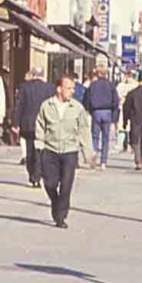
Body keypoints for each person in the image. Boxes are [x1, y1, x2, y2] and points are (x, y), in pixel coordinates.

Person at [36, 74, 93, 228]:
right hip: (50, 149)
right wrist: (39, 146)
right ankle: (55, 202)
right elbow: (40, 126)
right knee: (50, 183)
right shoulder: (46, 106)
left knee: (66, 185)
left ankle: (60, 216)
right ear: (59, 89)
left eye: (73, 88)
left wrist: (88, 154)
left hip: (69, 151)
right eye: (69, 88)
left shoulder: (77, 107)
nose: (72, 91)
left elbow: (84, 130)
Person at [14, 67, 54, 186]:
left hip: (28, 123)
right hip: (44, 122)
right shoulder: (49, 88)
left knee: (30, 149)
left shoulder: (24, 87)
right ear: (43, 74)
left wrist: (16, 123)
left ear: (32, 74)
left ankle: (32, 174)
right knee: (40, 150)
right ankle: (37, 174)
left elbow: (19, 105)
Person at [83, 62, 119, 169]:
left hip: (96, 111)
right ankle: (103, 161)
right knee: (105, 138)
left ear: (98, 74)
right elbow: (115, 100)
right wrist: (114, 113)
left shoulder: (93, 85)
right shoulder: (111, 85)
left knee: (94, 136)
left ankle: (93, 156)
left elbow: (87, 99)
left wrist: (89, 110)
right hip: (107, 111)